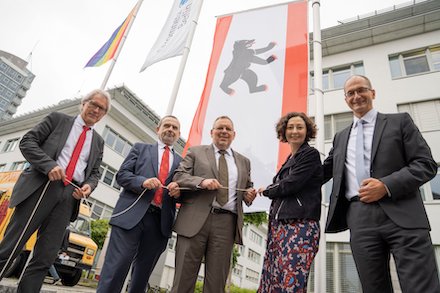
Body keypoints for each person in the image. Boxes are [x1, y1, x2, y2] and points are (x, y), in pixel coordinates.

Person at [323, 75, 440, 293]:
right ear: (346, 99)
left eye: (361, 90)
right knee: (373, 287)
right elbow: (320, 173)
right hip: (360, 218)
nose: (357, 96)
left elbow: (426, 164)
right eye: (351, 93)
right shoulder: (340, 137)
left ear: (373, 93)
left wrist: (385, 185)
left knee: (420, 286)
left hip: (403, 213)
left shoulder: (400, 121)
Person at [0, 89, 109, 292]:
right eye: (93, 104)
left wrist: (89, 187)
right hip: (42, 186)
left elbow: (94, 173)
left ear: (104, 114)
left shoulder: (98, 142)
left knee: (45, 256)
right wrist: (48, 165)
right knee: (12, 245)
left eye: (101, 108)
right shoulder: (58, 120)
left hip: (69, 197)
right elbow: (27, 142)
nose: (96, 109)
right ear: (83, 103)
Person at [171, 116, 257, 293]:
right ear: (212, 132)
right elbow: (179, 177)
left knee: (216, 284)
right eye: (220, 128)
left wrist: (249, 194)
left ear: (234, 134)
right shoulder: (196, 152)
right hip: (193, 222)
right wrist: (201, 182)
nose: (224, 132)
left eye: (228, 129)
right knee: (182, 281)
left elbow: (247, 187)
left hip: (226, 225)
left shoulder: (244, 162)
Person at [97, 115, 182, 293]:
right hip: (131, 215)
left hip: (160, 222)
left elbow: (184, 195)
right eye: (167, 125)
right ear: (157, 129)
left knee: (142, 276)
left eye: (175, 128)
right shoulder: (140, 148)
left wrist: (179, 191)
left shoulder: (182, 163)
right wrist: (142, 182)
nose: (170, 130)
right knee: (117, 267)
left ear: (178, 134)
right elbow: (121, 175)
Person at [257, 112, 322, 292]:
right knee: (274, 279)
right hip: (279, 227)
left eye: (299, 127)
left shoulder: (310, 154)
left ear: (307, 131)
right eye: (290, 127)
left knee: (292, 281)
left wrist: (268, 190)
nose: (294, 131)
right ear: (283, 131)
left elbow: (291, 184)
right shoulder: (290, 158)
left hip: (300, 226)